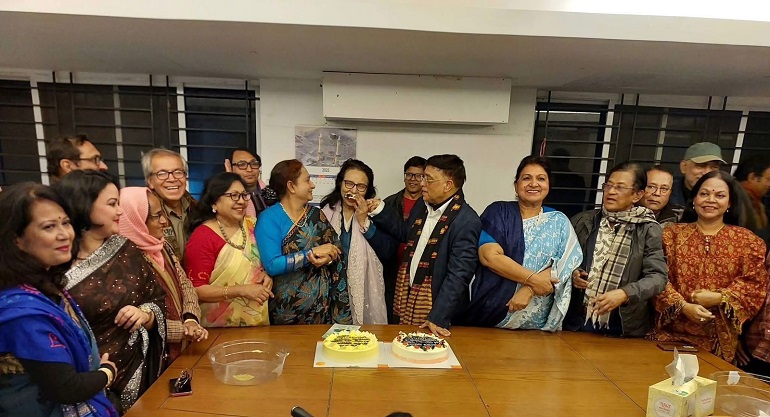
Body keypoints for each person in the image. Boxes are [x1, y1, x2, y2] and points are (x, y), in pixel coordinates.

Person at [0, 183, 118, 417]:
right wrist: (106, 373)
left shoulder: (45, 285)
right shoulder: (21, 312)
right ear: (16, 239)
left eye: (65, 222)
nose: (64, 234)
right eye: (49, 227)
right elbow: (65, 388)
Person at [54, 170, 166, 412]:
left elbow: (157, 298)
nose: (120, 211)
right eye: (112, 204)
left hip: (141, 367)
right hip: (88, 379)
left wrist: (145, 314)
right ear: (84, 205)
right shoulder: (54, 266)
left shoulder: (126, 248)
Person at [652, 170, 768, 362]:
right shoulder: (670, 235)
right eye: (704, 194)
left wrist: (719, 298)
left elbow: (754, 285)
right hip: (669, 336)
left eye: (720, 195)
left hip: (719, 343)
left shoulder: (748, 241)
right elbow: (656, 277)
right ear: (694, 199)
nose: (710, 200)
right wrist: (683, 306)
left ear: (729, 203)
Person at [459, 156, 583, 331]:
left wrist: (529, 289)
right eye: (526, 178)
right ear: (516, 185)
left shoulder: (559, 221)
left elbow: (566, 263)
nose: (534, 184)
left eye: (541, 178)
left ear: (549, 185)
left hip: (538, 324)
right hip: (494, 315)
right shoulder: (499, 212)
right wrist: (533, 280)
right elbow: (489, 257)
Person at [367, 154, 482, 336]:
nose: (422, 184)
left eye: (428, 179)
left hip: (437, 313)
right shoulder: (423, 205)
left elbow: (459, 274)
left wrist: (438, 316)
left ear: (448, 185)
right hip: (407, 297)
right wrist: (380, 209)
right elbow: (405, 232)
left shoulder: (466, 220)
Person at [564, 162, 668, 337]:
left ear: (637, 195)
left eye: (620, 187)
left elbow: (658, 277)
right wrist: (573, 273)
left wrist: (625, 294)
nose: (611, 192)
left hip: (620, 327)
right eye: (608, 185)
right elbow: (562, 262)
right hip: (575, 322)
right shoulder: (583, 221)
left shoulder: (647, 229)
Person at [255, 159, 351, 325]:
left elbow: (336, 248)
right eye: (307, 180)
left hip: (322, 309)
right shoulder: (269, 218)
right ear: (291, 186)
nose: (312, 185)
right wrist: (311, 255)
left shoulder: (316, 215)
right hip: (286, 311)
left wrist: (328, 258)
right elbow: (272, 265)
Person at [118, 187, 208, 362]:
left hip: (181, 347)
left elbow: (185, 284)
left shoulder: (161, 246)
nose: (164, 221)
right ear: (136, 219)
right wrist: (182, 331)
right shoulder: (126, 261)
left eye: (163, 214)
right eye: (156, 216)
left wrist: (190, 319)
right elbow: (139, 319)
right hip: (152, 357)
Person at [184, 172, 273, 327]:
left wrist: (267, 276)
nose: (241, 201)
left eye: (244, 195)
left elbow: (264, 264)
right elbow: (195, 291)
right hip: (218, 328)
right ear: (214, 203)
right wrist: (240, 290)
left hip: (258, 324)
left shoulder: (254, 225)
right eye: (233, 196)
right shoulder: (203, 236)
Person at [320, 159, 396, 325]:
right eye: (349, 184)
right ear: (340, 183)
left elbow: (388, 252)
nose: (353, 190)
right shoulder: (325, 211)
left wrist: (364, 222)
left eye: (361, 186)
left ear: (368, 190)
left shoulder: (376, 213)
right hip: (331, 288)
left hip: (362, 288)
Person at [382, 156, 425, 323]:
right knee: (391, 314)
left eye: (418, 175)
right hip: (392, 268)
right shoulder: (389, 203)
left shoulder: (429, 205)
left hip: (418, 271)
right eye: (409, 174)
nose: (413, 179)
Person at [142, 148, 197, 259]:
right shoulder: (145, 215)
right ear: (150, 181)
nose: (172, 179)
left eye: (178, 172)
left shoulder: (199, 209)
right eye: (162, 174)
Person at [670, 142, 725, 207]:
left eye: (714, 167)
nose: (707, 172)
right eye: (700, 166)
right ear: (684, 167)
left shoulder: (725, 199)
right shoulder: (666, 193)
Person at [733, 154, 770, 244]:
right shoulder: (736, 200)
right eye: (768, 179)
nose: (769, 185)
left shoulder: (756, 203)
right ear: (753, 177)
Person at [225, 148, 270, 217]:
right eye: (242, 164)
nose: (249, 169)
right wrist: (230, 179)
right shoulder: (224, 195)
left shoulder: (270, 193)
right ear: (230, 168)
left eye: (254, 164)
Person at [545, 148, 587, 219]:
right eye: (556, 161)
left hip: (569, 218)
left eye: (563, 161)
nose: (559, 164)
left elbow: (578, 205)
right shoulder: (547, 178)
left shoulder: (576, 180)